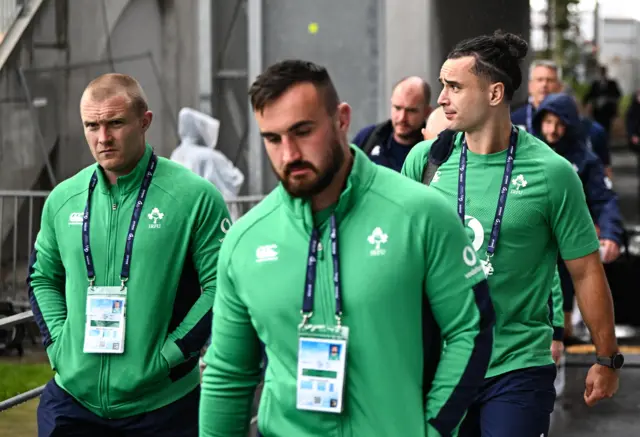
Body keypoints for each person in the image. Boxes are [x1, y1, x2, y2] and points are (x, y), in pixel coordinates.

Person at [199, 59, 495, 437]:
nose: (288, 154)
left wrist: (432, 428)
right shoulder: (245, 241)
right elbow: (228, 375)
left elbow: (471, 327)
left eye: (302, 131)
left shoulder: (421, 213)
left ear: (341, 119)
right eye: (272, 138)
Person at [402, 31, 622, 437]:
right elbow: (403, 260)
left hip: (517, 367)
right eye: (442, 86)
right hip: (442, 365)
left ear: (494, 92)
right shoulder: (427, 161)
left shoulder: (552, 174)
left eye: (454, 87)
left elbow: (586, 271)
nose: (441, 99)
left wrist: (606, 358)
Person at [28, 73, 231, 437]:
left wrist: (170, 355)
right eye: (92, 125)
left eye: (115, 123)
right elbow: (43, 277)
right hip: (74, 402)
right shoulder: (63, 199)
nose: (102, 138)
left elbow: (223, 286)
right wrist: (59, 346)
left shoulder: (193, 197)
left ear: (145, 122)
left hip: (161, 405)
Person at [533, 92, 624, 344]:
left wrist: (610, 234)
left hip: (565, 258)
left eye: (560, 124)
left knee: (560, 334)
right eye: (548, 122)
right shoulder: (522, 155)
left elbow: (604, 200)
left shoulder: (585, 160)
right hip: (526, 255)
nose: (553, 130)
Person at [511, 60, 612, 178]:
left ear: (559, 86)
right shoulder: (513, 120)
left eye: (549, 80)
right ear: (530, 86)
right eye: (539, 80)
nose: (544, 85)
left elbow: (605, 172)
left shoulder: (587, 128)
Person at [351, 76, 432, 171]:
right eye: (397, 108)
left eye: (411, 111)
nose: (402, 118)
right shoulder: (368, 138)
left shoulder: (433, 149)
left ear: (427, 112)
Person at [583, 65, 622, 136]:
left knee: (607, 130)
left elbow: (618, 95)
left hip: (607, 112)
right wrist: (586, 104)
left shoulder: (612, 83)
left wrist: (608, 99)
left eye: (603, 72)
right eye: (600, 72)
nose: (602, 74)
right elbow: (589, 95)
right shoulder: (595, 84)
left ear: (605, 72)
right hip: (597, 112)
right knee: (597, 129)